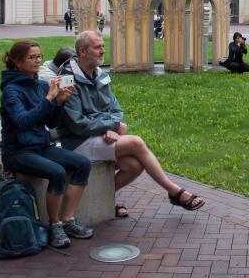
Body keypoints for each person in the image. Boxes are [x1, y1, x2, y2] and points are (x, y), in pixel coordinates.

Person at [57, 31, 205, 218]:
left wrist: (112, 127)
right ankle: (174, 191)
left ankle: (105, 200)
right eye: (97, 47)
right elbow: (77, 123)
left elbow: (116, 110)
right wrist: (111, 128)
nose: (103, 51)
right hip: (76, 143)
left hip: (96, 137)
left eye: (103, 46)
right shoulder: (66, 79)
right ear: (82, 51)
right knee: (135, 143)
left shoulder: (99, 74)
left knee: (134, 166)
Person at [0, 40, 93, 248]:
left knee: (83, 164)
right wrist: (49, 98)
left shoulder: (41, 85)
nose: (37, 61)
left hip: (41, 146)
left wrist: (59, 102)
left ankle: (68, 219)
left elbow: (50, 122)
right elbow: (23, 121)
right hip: (17, 151)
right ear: (16, 62)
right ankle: (54, 225)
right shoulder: (11, 91)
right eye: (31, 57)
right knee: (57, 172)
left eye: (39, 56)